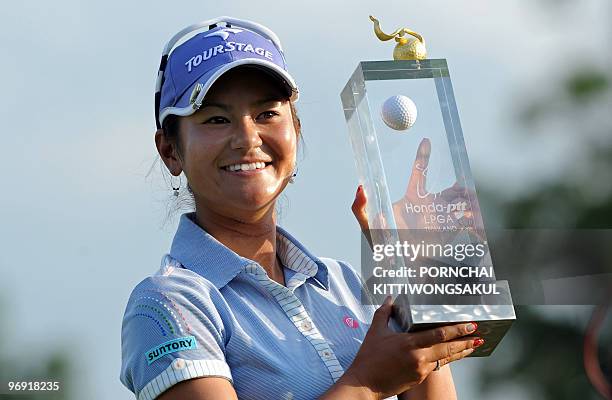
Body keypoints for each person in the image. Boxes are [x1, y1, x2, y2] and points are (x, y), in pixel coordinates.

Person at [120, 16, 482, 400]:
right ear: (170, 151)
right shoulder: (168, 304)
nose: (247, 138)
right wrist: (367, 384)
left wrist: (411, 271)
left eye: (267, 114)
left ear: (297, 129)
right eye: (217, 119)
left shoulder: (343, 284)